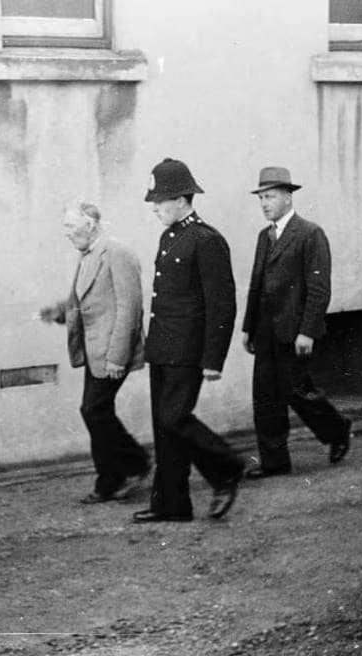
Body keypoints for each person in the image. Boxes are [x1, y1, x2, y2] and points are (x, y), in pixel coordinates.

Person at [133, 158, 244, 523]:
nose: (154, 207)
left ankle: (226, 467)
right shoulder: (171, 236)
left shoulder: (206, 240)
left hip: (188, 350)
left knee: (174, 417)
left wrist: (214, 358)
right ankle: (172, 504)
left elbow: (221, 304)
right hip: (164, 349)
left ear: (182, 200)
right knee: (165, 426)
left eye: (160, 200)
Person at [240, 167, 352, 478]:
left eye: (271, 196)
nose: (264, 203)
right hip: (265, 331)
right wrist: (249, 327)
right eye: (261, 198)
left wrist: (307, 331)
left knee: (297, 391)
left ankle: (338, 429)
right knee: (265, 396)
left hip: (293, 331)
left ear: (288, 197)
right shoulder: (265, 237)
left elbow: (319, 288)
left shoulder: (309, 234)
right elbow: (256, 283)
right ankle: (274, 461)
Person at [39, 201, 150, 503]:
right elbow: (85, 301)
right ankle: (111, 480)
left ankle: (135, 464)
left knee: (93, 410)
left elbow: (130, 307)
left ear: (90, 225)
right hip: (94, 351)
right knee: (96, 411)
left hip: (112, 352)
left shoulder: (118, 253)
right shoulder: (86, 255)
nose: (67, 234)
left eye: (71, 228)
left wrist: (118, 356)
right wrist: (59, 312)